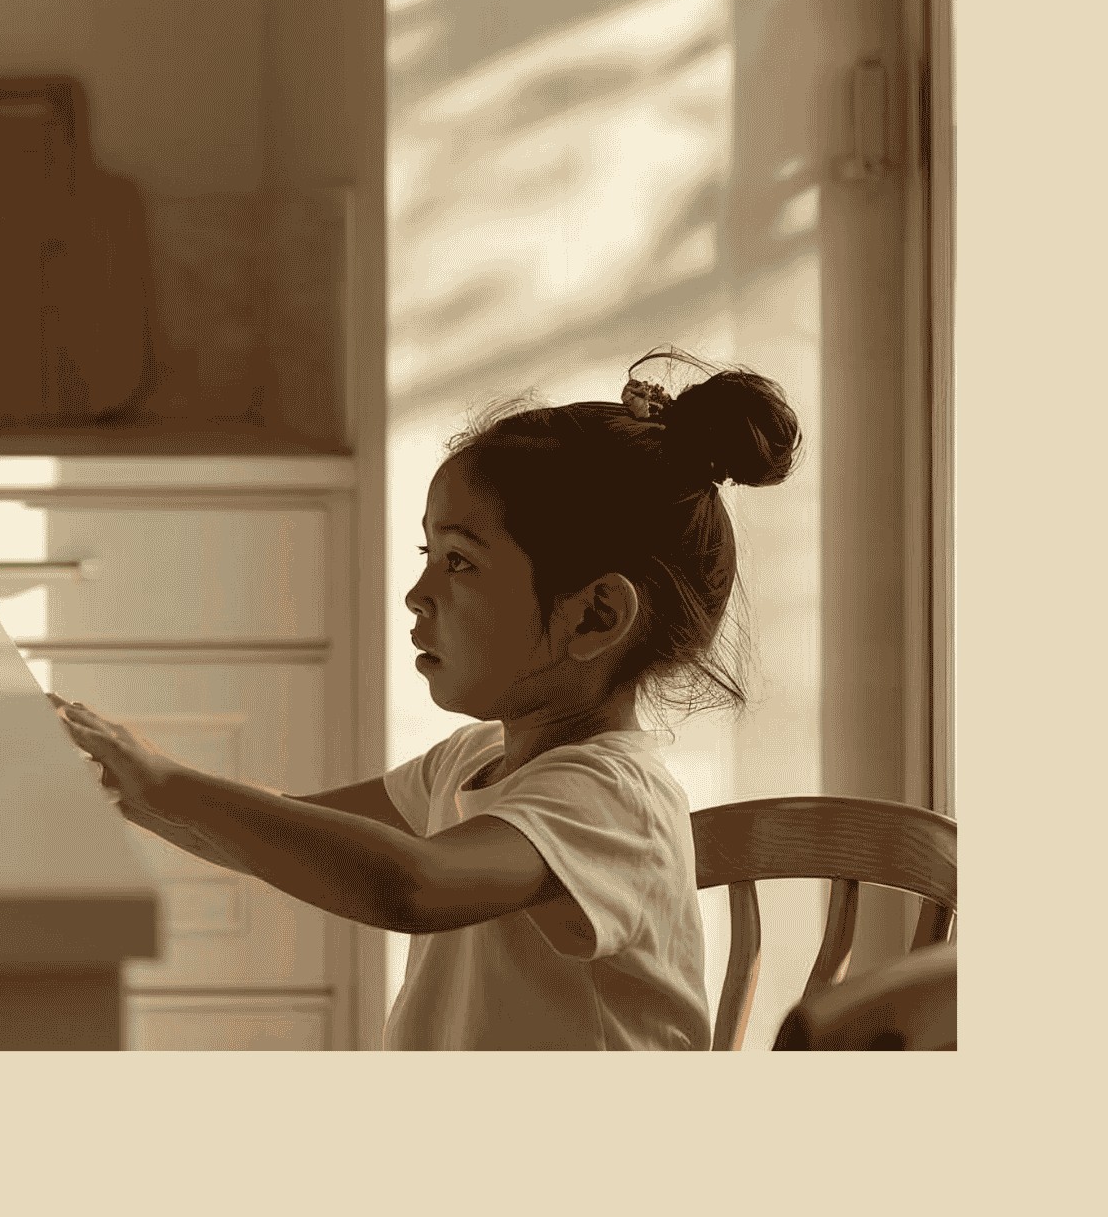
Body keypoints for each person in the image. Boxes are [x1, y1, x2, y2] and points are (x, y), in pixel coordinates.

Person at [54, 349, 803, 1049]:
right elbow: (290, 832)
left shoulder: (617, 802)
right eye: (428, 555)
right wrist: (119, 784)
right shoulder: (474, 760)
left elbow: (412, 883)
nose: (418, 594)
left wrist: (167, 785)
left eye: (459, 561)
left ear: (595, 616)